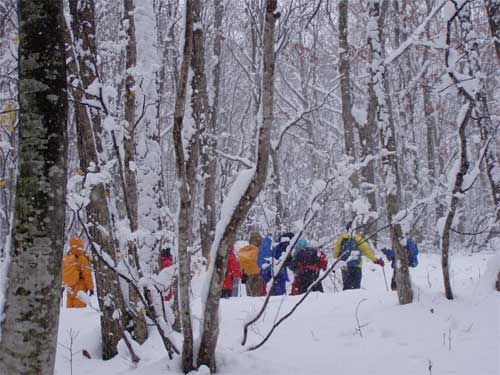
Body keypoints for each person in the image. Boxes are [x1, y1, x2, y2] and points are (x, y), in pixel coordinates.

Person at [333, 222, 384, 290]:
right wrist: (376, 260)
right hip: (357, 266)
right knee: (356, 288)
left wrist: (334, 265)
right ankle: (356, 299)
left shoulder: (342, 238)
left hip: (345, 266)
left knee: (347, 287)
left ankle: (346, 299)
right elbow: (367, 251)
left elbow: (336, 253)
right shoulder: (357, 238)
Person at [62, 237, 94, 308]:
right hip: (80, 287)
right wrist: (91, 288)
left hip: (69, 288)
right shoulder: (82, 257)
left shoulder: (66, 257)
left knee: (70, 312)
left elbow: (63, 273)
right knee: (79, 312)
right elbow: (87, 274)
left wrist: (63, 286)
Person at [238, 231, 266, 296]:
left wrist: (242, 274)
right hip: (257, 274)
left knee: (249, 295)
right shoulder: (260, 249)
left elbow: (240, 263)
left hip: (247, 274)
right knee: (257, 295)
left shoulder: (244, 249)